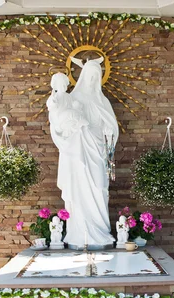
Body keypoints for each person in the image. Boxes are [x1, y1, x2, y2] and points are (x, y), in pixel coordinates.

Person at [47, 59, 118, 249]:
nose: (93, 79)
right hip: (78, 152)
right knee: (78, 191)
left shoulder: (103, 101)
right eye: (90, 75)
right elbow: (59, 121)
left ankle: (100, 233)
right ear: (83, 75)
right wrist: (69, 128)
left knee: (100, 187)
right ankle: (79, 234)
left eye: (97, 76)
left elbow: (112, 127)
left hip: (98, 151)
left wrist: (109, 132)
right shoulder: (72, 98)